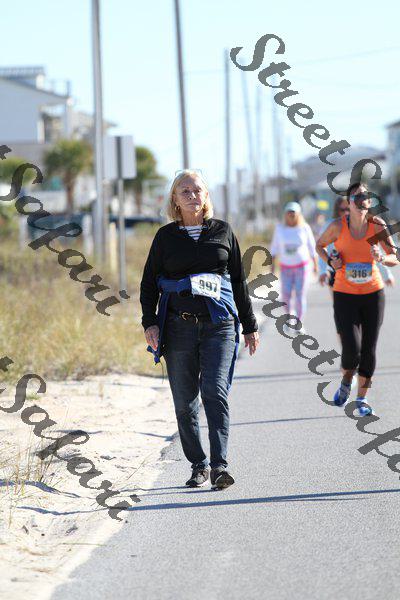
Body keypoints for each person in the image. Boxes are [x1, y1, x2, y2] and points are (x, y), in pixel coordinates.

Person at [140, 169, 259, 490]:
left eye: (197, 190)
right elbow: (149, 283)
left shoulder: (223, 231)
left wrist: (250, 326)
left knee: (214, 392)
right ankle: (198, 464)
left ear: (206, 196)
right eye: (185, 191)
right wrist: (149, 322)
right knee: (184, 401)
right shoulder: (165, 237)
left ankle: (220, 466)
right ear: (175, 200)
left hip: (220, 326)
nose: (192, 196)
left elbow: (238, 281)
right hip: (178, 327)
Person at [316, 182, 399, 416]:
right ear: (349, 203)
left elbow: (395, 257)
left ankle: (361, 399)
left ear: (370, 202)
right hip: (345, 294)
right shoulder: (337, 226)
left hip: (373, 294)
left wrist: (381, 258)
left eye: (365, 196)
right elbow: (319, 245)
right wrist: (331, 262)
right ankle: (346, 380)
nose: (362, 200)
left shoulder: (377, 225)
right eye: (356, 197)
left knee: (369, 349)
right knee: (352, 349)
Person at [318, 196, 395, 292]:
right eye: (342, 210)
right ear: (337, 210)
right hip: (336, 272)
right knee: (338, 300)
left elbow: (375, 254)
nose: (346, 212)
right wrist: (323, 270)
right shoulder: (332, 225)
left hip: (366, 279)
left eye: (348, 209)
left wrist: (386, 275)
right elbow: (322, 248)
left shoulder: (366, 225)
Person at [270, 201, 318, 333]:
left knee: (300, 295)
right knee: (286, 296)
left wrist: (315, 265)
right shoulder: (280, 228)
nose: (291, 215)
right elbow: (274, 248)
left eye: (294, 212)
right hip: (285, 267)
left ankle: (299, 322)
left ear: (299, 214)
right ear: (285, 214)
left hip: (302, 267)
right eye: (289, 212)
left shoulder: (304, 228)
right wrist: (272, 265)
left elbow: (312, 247)